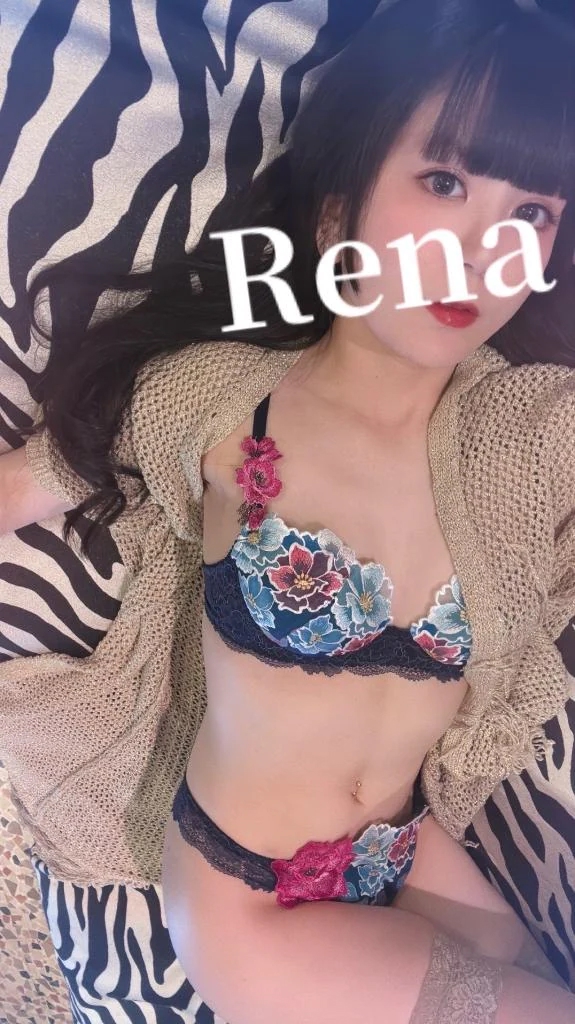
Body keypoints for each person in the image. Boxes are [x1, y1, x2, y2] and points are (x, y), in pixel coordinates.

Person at [3, 0, 575, 1021]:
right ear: (333, 215)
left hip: (407, 849)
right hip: (247, 910)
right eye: (444, 182)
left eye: (529, 212)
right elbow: (24, 484)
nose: (484, 250)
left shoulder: (526, 437)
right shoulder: (221, 399)